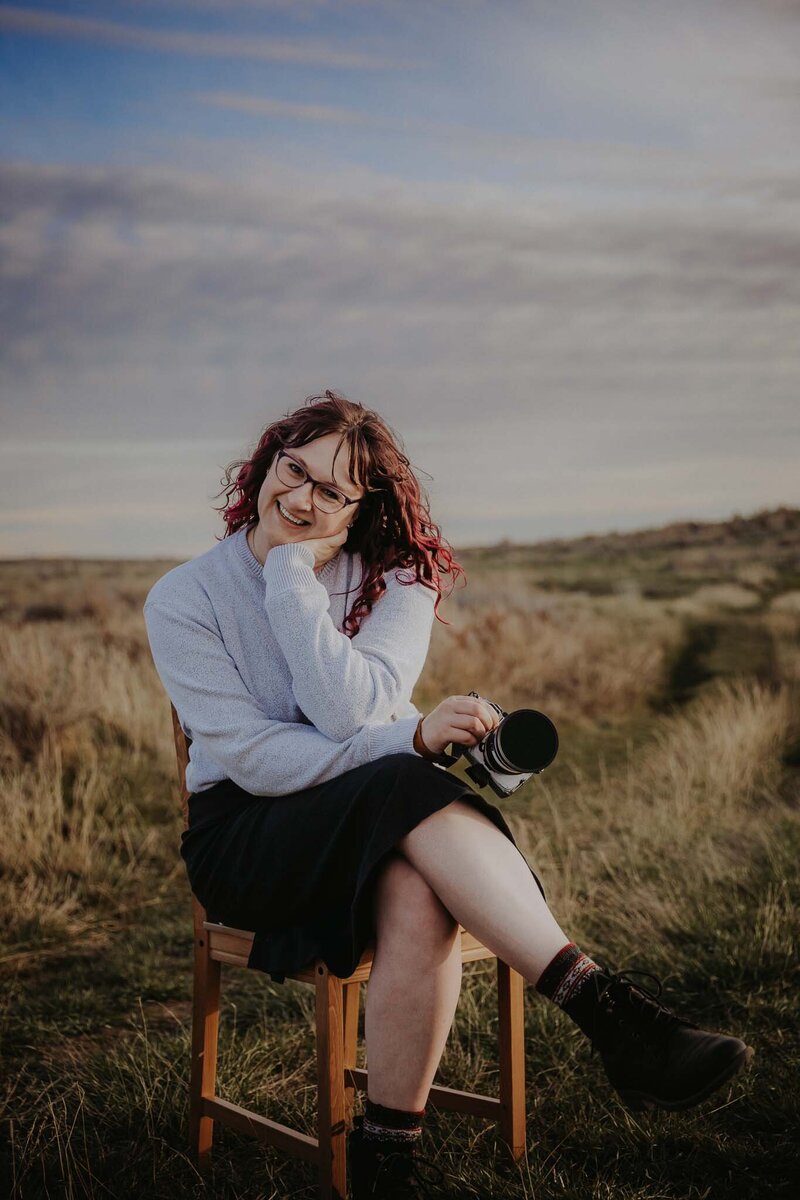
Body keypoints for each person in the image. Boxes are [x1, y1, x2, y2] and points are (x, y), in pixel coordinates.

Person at [143, 391, 753, 1199]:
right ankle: (609, 1013)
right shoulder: (185, 597)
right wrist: (400, 722)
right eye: (293, 470)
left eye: (331, 491)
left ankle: (387, 1158)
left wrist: (391, 723)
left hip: (378, 816)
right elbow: (263, 757)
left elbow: (348, 712)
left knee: (416, 886)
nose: (301, 499)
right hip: (249, 841)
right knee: (404, 774)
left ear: (362, 507)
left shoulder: (400, 578)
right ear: (268, 459)